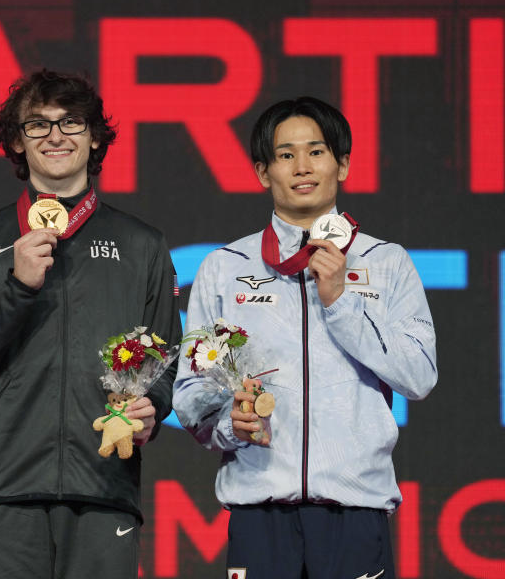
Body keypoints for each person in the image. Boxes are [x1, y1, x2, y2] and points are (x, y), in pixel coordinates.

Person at [172, 96, 437, 579]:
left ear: (343, 164)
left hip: (356, 509)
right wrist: (234, 427)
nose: (301, 167)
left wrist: (340, 301)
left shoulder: (387, 261)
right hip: (259, 510)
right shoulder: (225, 267)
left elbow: (418, 376)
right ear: (261, 172)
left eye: (316, 152)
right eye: (285, 154)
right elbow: (191, 395)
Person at [0, 69, 181, 578]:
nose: (55, 135)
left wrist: (150, 406)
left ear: (95, 138)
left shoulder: (142, 244)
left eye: (71, 122)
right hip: (3, 487)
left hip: (104, 483)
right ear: (16, 143)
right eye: (37, 125)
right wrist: (17, 287)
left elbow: (164, 362)